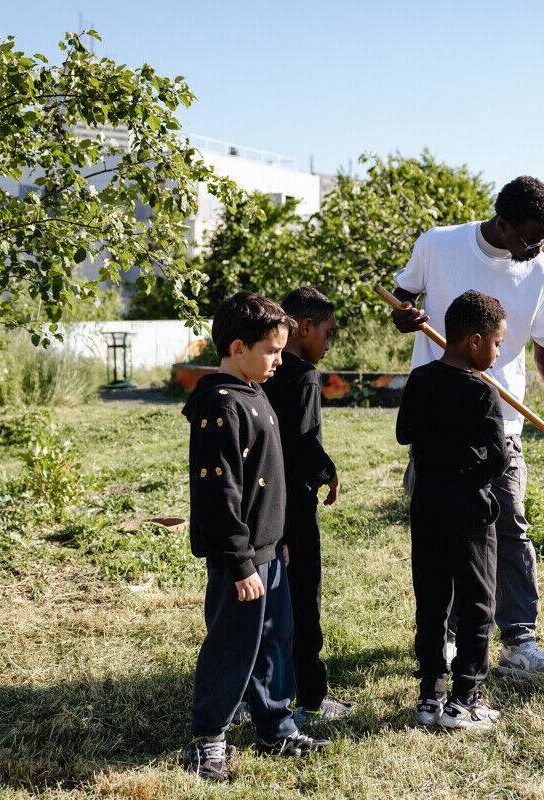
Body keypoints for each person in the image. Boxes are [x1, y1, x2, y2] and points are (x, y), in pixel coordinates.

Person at [391, 175, 544, 677]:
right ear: (502, 224)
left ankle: (519, 640)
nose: (537, 248)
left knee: (510, 525)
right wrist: (407, 317)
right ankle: (440, 638)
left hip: (500, 421)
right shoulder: (439, 244)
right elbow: (401, 302)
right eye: (530, 237)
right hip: (438, 420)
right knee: (439, 535)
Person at [183, 291, 328, 783]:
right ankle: (210, 738)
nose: (278, 360)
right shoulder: (219, 405)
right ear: (238, 346)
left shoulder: (254, 392)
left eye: (283, 350)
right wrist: (241, 561)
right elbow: (219, 492)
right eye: (271, 350)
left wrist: (277, 539)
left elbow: (270, 478)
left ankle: (275, 726)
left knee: (273, 640)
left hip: (269, 549)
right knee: (233, 644)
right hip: (239, 558)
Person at [397, 290, 509, 729]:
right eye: (497, 344)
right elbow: (498, 460)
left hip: (426, 504)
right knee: (477, 601)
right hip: (469, 510)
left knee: (432, 599)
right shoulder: (483, 393)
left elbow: (405, 433)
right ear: (476, 341)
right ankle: (465, 698)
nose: (498, 354)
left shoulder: (420, 379)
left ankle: (430, 695)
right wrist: (470, 464)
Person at [262, 286, 353, 724]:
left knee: (273, 604)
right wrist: (328, 472)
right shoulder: (302, 375)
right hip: (295, 507)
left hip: (266, 504)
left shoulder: (265, 372)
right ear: (305, 327)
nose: (329, 343)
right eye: (327, 333)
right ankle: (311, 697)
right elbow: (301, 442)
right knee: (304, 598)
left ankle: (262, 690)